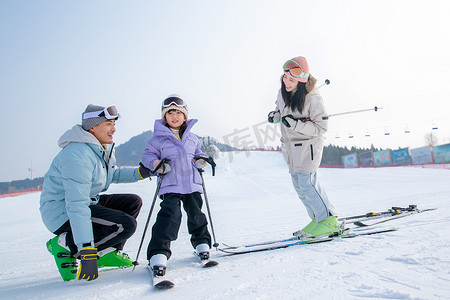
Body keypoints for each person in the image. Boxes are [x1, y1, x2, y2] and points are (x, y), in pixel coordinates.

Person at [40, 104, 154, 281]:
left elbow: (111, 174)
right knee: (125, 225)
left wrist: (141, 172)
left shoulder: (99, 148)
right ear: (92, 127)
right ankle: (66, 245)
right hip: (63, 213)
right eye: (108, 124)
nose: (114, 129)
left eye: (114, 124)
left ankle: (107, 253)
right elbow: (76, 205)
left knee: (132, 202)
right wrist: (86, 251)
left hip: (87, 202)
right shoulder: (77, 155)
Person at [141, 94, 212, 276]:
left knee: (196, 214)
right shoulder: (157, 139)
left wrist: (201, 160)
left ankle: (202, 243)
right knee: (170, 217)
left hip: (192, 183)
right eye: (170, 113)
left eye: (178, 113)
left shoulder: (193, 138)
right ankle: (158, 253)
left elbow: (199, 153)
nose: (174, 116)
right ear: (164, 117)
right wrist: (156, 165)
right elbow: (148, 156)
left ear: (184, 116)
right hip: (170, 184)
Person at [268, 56, 339, 238]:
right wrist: (276, 115)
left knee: (308, 183)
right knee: (299, 186)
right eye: (285, 77)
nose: (286, 82)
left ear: (301, 81)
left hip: (309, 147)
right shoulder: (282, 93)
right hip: (291, 148)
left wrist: (296, 125)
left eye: (292, 80)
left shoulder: (313, 97)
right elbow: (280, 109)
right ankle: (317, 219)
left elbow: (321, 127)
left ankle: (329, 221)